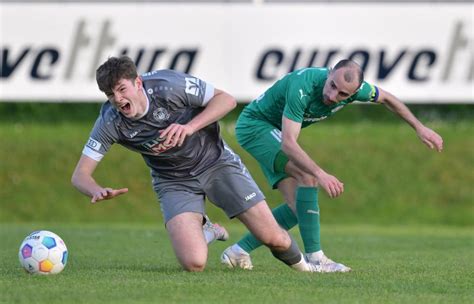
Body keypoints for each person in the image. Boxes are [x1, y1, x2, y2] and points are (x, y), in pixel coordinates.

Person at [71, 55, 322, 272]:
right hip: (173, 181)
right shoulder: (110, 121)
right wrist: (95, 190)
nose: (117, 99)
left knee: (272, 237)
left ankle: (308, 269)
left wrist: (189, 127)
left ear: (138, 83)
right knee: (194, 263)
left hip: (216, 163)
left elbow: (226, 100)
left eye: (122, 89)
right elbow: (80, 175)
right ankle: (210, 230)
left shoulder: (168, 86)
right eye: (110, 94)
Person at [221, 59, 444, 272]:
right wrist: (320, 174)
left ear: (354, 93)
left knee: (298, 207)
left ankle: (238, 251)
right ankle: (317, 259)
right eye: (332, 85)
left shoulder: (358, 91)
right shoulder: (303, 86)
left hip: (274, 132)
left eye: (342, 94)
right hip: (255, 126)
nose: (332, 95)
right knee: (307, 177)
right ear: (329, 73)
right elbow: (289, 143)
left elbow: (387, 98)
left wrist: (419, 127)